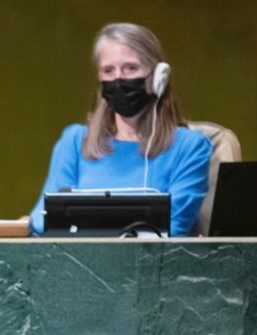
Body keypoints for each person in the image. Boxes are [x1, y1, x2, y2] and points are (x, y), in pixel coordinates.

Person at [29, 22, 212, 237]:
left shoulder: (190, 147)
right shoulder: (74, 141)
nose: (119, 79)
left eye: (131, 68)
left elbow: (174, 228)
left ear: (157, 77)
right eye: (109, 71)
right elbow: (43, 223)